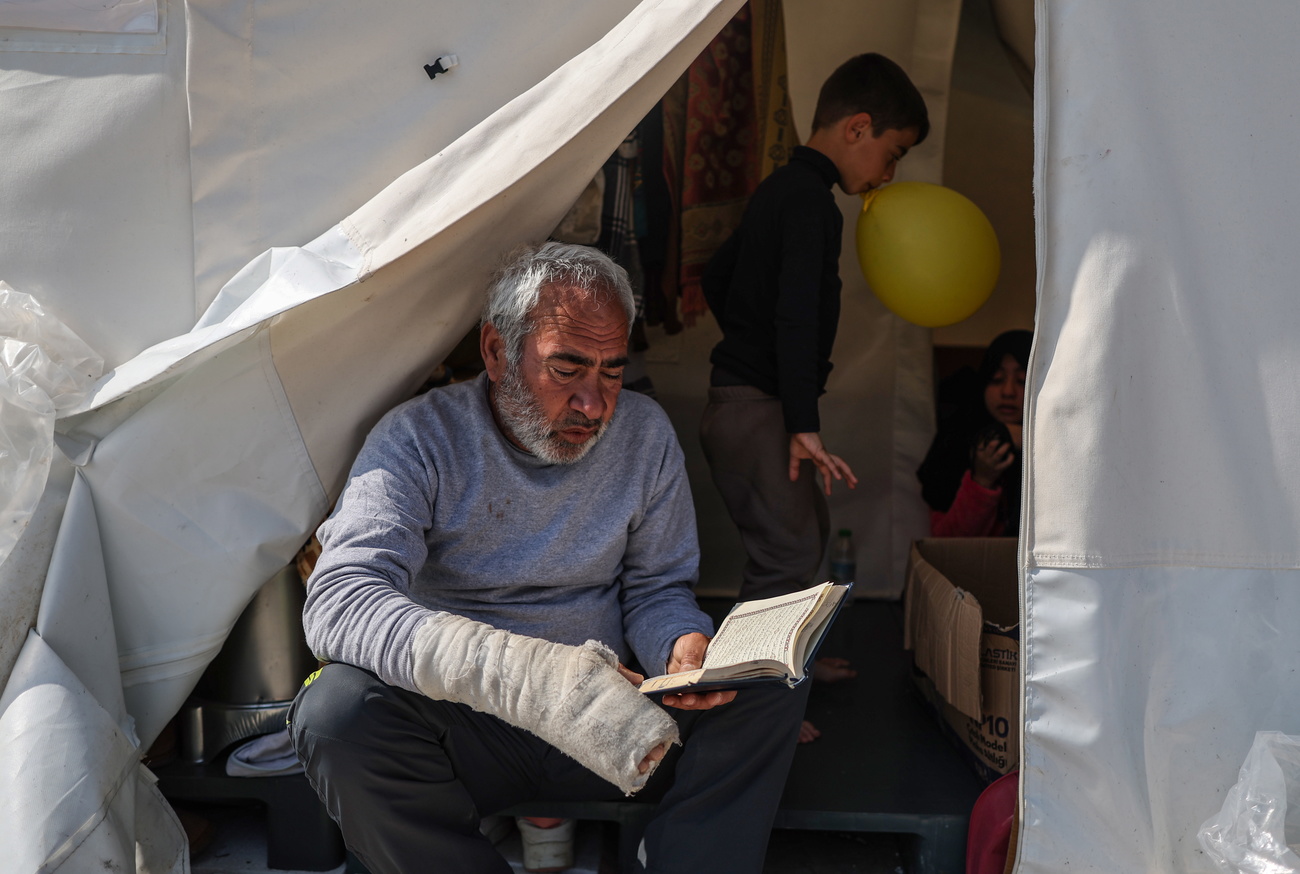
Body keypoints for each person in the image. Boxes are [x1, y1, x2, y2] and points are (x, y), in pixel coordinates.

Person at [287, 242, 808, 874]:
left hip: (619, 725)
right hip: (469, 733)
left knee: (769, 689)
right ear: (496, 353)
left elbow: (657, 587)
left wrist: (679, 643)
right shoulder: (419, 438)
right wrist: (540, 679)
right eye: (567, 369)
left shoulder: (643, 435)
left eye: (611, 371)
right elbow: (341, 604)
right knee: (335, 712)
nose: (594, 404)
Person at [699, 54, 928, 742]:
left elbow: (718, 274)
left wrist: (744, 336)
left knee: (803, 540)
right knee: (788, 560)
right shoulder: (813, 204)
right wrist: (802, 421)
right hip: (760, 407)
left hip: (742, 402)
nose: (886, 177)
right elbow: (797, 315)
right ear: (858, 128)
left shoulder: (782, 189)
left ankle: (784, 667)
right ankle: (754, 710)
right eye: (891, 155)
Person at [916, 329, 1032, 537]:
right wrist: (983, 480)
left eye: (1022, 381)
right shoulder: (958, 437)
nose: (1008, 391)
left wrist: (1030, 441)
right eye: (997, 379)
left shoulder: (1064, 444)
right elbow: (948, 543)